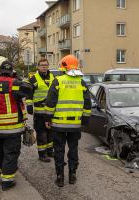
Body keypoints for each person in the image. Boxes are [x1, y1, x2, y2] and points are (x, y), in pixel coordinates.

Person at [0, 60, 32, 191]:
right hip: (12, 127)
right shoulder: (13, 83)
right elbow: (28, 89)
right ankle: (7, 182)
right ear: (11, 71)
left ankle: (3, 171)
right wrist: (19, 79)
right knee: (11, 153)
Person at [44, 55, 91, 187]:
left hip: (58, 124)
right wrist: (85, 120)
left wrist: (47, 119)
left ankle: (60, 177)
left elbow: (50, 102)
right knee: (73, 149)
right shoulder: (81, 82)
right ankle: (72, 175)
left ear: (63, 66)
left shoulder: (58, 81)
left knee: (58, 150)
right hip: (75, 125)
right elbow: (87, 103)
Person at [26, 58, 55, 162]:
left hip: (51, 112)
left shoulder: (53, 77)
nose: (44, 67)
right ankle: (42, 154)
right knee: (42, 134)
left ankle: (50, 151)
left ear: (48, 66)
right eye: (42, 65)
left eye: (46, 65)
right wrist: (29, 105)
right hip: (39, 112)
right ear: (38, 66)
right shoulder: (33, 79)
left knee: (51, 133)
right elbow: (28, 93)